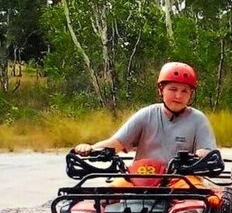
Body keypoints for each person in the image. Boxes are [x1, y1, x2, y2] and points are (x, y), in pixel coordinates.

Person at [74, 62, 217, 164]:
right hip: (142, 177)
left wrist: (202, 154)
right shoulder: (146, 115)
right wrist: (91, 148)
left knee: (195, 206)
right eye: (173, 89)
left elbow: (208, 152)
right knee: (108, 199)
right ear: (161, 90)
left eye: (184, 91)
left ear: (190, 94)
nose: (178, 96)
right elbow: (117, 143)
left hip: (182, 180)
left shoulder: (198, 120)